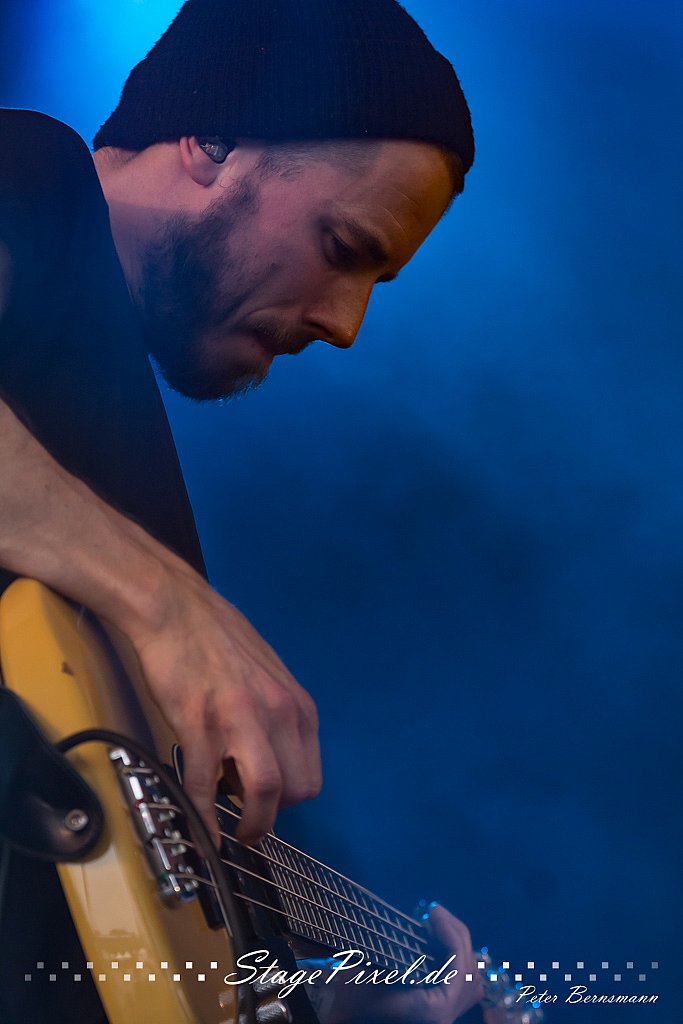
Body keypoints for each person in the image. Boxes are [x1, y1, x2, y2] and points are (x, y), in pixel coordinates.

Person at [0, 1, 483, 1021]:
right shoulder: (33, 175)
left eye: (376, 280)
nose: (345, 324)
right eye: (343, 245)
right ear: (211, 140)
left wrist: (346, 1007)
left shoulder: (100, 425)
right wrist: (165, 602)